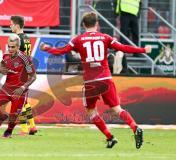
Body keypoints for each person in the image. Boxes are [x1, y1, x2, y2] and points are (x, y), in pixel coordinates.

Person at [40, 12, 152, 149]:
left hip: (91, 81)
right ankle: (134, 127)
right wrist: (143, 49)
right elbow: (123, 48)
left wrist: (47, 48)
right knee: (117, 109)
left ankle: (110, 137)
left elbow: (61, 51)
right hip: (105, 78)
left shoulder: (78, 40)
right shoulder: (105, 37)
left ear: (83, 25)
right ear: (97, 24)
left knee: (91, 112)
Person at [0, 34, 36, 138]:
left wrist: (23, 87)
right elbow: (2, 66)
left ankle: (8, 131)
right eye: (9, 46)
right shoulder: (5, 56)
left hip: (19, 91)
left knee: (14, 115)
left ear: (18, 47)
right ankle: (2, 117)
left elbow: (33, 77)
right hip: (6, 88)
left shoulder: (25, 59)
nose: (10, 49)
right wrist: (1, 69)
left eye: (13, 47)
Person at [7, 15, 37, 135]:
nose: (10, 26)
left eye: (11, 24)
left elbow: (17, 56)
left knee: (20, 100)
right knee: (24, 101)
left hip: (21, 72)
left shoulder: (17, 38)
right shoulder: (27, 37)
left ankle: (25, 128)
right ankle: (32, 126)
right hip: (27, 71)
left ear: (17, 25)